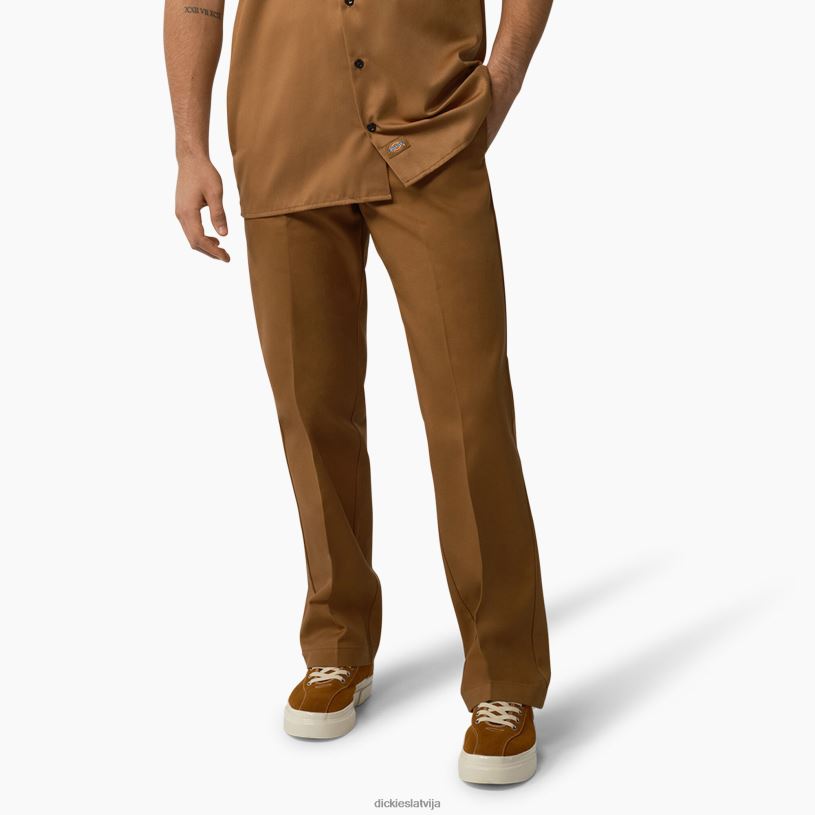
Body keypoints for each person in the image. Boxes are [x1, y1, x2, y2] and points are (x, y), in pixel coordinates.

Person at [164, 0, 554, 785]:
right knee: (312, 414)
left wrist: (502, 82)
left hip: (431, 133)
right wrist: (189, 150)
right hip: (283, 135)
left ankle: (504, 680)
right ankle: (336, 643)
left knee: (469, 412)